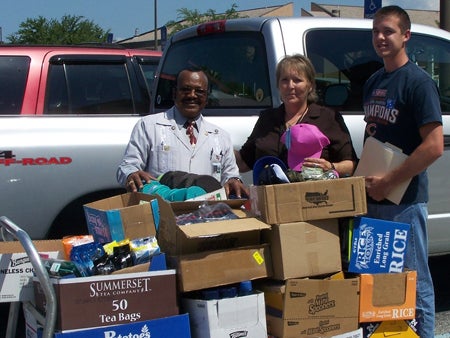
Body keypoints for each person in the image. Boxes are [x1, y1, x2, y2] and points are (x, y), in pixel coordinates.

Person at [363, 6, 443, 338]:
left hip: (405, 202)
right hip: (374, 199)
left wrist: (389, 182)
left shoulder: (418, 82)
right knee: (377, 281)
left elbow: (434, 145)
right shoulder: (374, 81)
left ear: (405, 36)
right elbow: (375, 135)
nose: (381, 37)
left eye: (389, 31)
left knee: (414, 280)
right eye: (376, 31)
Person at [117, 67, 248, 199]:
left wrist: (234, 181)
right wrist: (131, 174)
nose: (192, 95)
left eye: (199, 91)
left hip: (206, 214)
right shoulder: (148, 126)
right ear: (174, 93)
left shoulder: (220, 136)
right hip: (163, 211)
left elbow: (230, 175)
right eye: (185, 90)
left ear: (207, 97)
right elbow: (127, 166)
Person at [235, 54, 357, 178]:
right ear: (278, 85)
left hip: (315, 195)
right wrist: (219, 142)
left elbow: (351, 165)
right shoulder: (267, 119)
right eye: (284, 80)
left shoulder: (328, 117)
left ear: (310, 85)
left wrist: (330, 167)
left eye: (297, 80)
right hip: (272, 195)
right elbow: (244, 163)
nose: (290, 86)